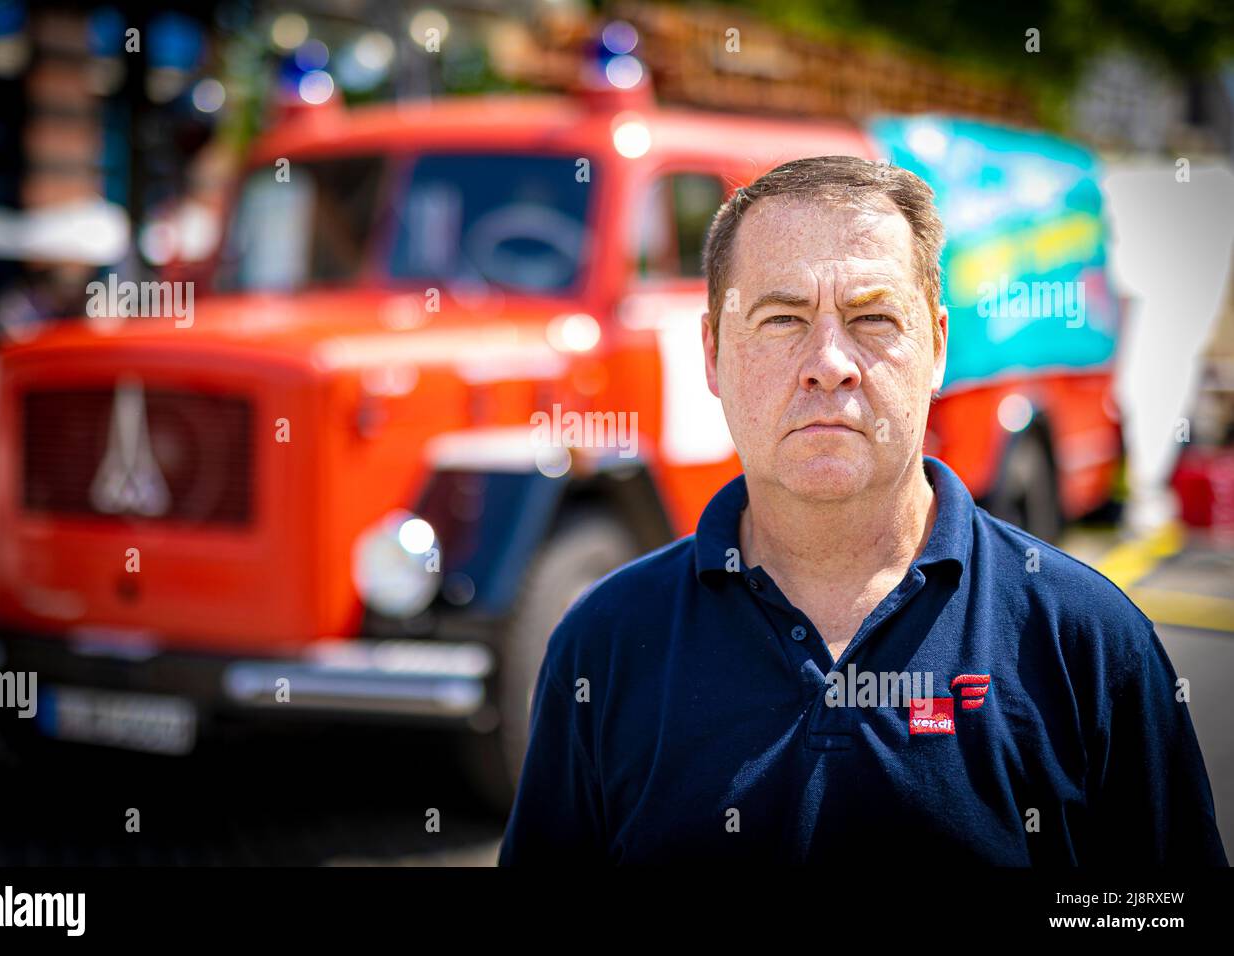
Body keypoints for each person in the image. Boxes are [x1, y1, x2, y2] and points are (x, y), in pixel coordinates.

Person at [497, 155, 1227, 865]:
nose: (830, 361)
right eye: (783, 319)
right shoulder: (605, 644)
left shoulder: (1089, 644)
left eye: (872, 317)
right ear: (714, 355)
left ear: (937, 347)